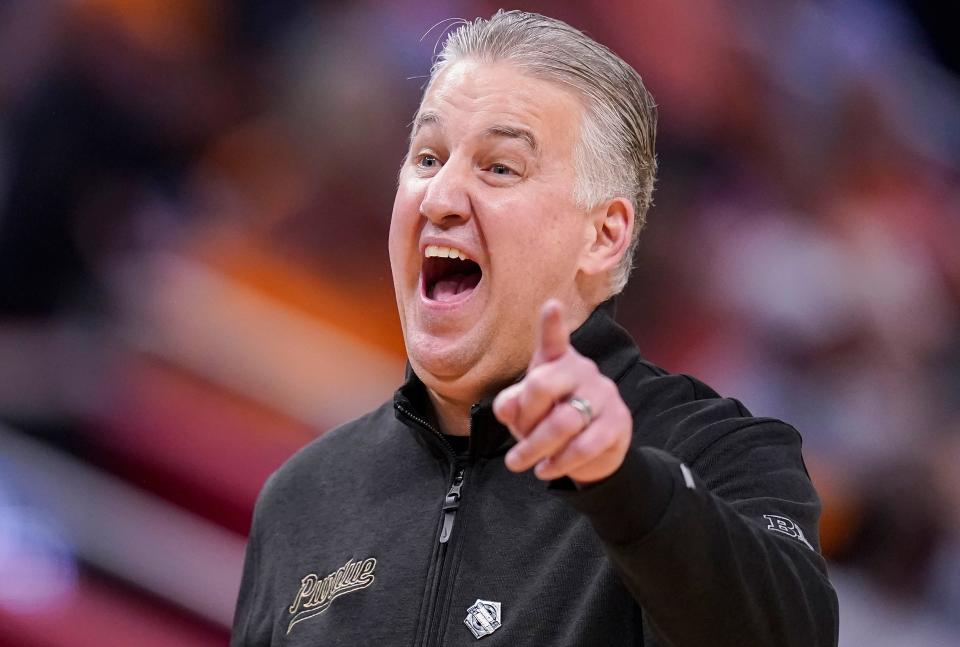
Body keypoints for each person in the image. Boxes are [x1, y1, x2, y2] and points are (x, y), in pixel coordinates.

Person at [231, 10, 839, 646]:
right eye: (428, 157)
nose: (439, 197)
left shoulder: (719, 453)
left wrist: (622, 484)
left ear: (603, 236)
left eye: (500, 168)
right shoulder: (303, 497)